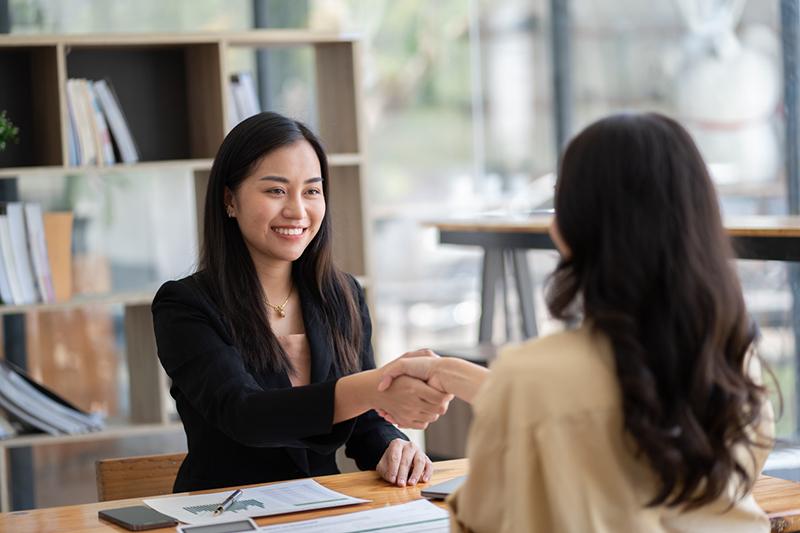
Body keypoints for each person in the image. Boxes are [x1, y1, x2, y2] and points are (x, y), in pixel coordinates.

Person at [379, 112, 776, 532]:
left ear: (567, 229)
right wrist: (448, 372)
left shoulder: (532, 377)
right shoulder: (733, 360)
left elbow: (487, 518)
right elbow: (610, 402)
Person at [152, 112, 451, 493]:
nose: (297, 210)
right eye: (276, 191)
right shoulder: (184, 306)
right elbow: (245, 415)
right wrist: (375, 386)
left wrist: (393, 446)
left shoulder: (341, 294)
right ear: (230, 200)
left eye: (311, 190)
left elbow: (364, 422)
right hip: (228, 516)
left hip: (326, 512)